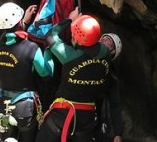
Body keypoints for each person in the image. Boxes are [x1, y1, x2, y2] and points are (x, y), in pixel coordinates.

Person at [36, 9, 111, 142]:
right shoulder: (106, 55)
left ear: (77, 38)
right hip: (87, 117)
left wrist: (70, 19)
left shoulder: (70, 56)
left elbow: (50, 37)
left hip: (63, 115)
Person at [0, 2, 54, 142]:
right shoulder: (31, 48)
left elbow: (12, 41)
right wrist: (49, 49)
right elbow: (46, 72)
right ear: (18, 21)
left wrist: (24, 22)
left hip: (3, 104)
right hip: (24, 107)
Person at [96, 33, 124, 142]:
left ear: (112, 51)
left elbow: (115, 105)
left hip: (90, 117)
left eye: (108, 41)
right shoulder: (82, 55)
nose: (103, 40)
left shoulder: (110, 77)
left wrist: (118, 133)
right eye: (103, 38)